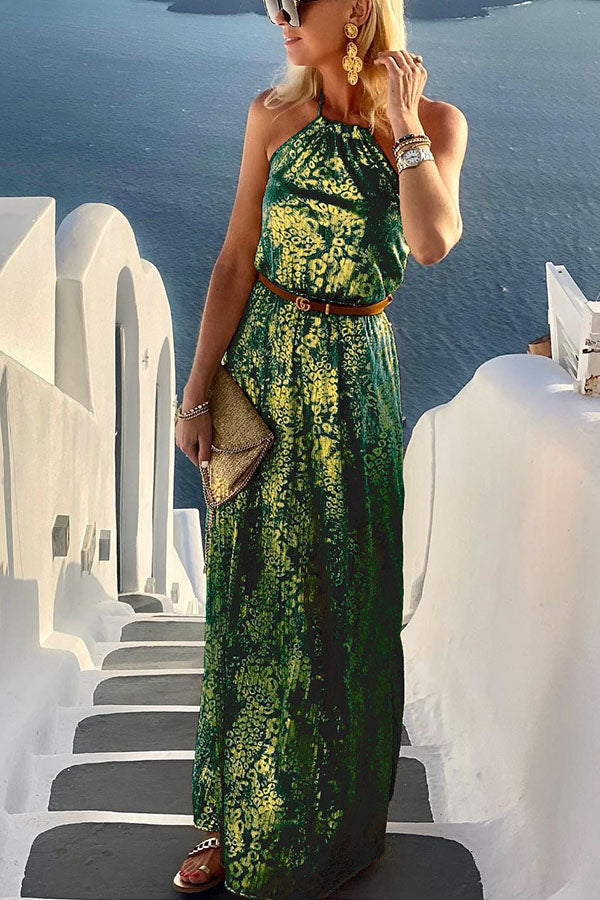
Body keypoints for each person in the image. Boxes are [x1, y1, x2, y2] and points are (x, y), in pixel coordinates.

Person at [173, 0, 467, 896]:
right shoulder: (273, 115)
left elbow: (432, 241)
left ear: (360, 8)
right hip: (263, 374)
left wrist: (404, 125)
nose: (280, 16)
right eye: (271, 4)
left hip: (354, 386)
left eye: (296, 2)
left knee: (344, 599)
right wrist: (196, 391)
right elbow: (235, 261)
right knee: (256, 600)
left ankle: (334, 832)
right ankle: (231, 819)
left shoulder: (435, 122)